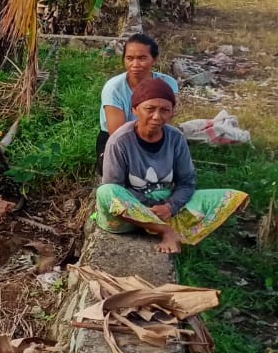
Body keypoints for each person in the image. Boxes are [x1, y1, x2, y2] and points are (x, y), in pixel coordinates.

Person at [97, 77, 248, 254]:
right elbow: (115, 189)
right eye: (150, 109)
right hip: (129, 217)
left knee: (232, 197)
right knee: (105, 192)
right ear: (135, 109)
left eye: (164, 110)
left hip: (166, 208)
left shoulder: (176, 138)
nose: (157, 116)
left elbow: (186, 182)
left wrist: (170, 207)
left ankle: (163, 225)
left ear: (172, 112)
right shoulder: (119, 141)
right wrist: (147, 208)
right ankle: (167, 231)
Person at [97, 33, 178, 173]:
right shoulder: (114, 88)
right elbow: (117, 134)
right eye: (129, 58)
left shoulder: (168, 83)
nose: (135, 64)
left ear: (154, 59)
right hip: (118, 141)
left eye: (142, 58)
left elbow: (168, 119)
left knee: (170, 174)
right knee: (123, 178)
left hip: (155, 134)